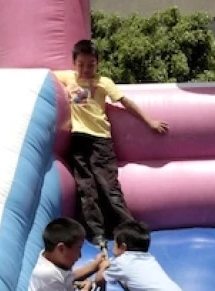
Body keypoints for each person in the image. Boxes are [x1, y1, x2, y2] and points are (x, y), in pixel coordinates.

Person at [56, 39, 169, 251]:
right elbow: (46, 74)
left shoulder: (104, 82)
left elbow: (126, 102)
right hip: (78, 138)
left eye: (90, 64)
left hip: (100, 138)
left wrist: (149, 121)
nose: (86, 69)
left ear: (97, 63)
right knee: (86, 188)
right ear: (74, 63)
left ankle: (132, 232)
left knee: (109, 187)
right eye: (81, 64)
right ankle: (97, 234)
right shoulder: (67, 78)